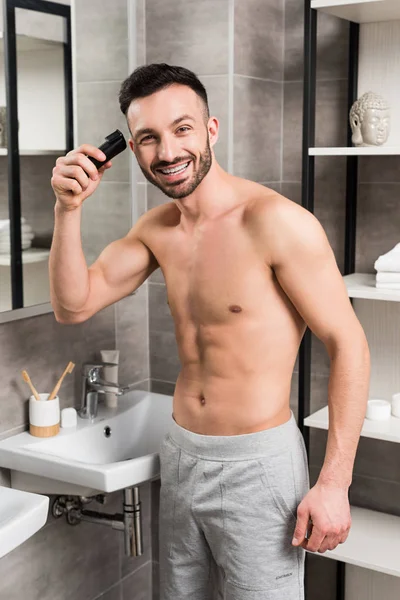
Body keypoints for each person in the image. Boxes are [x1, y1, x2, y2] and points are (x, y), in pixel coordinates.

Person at [50, 63, 370, 599]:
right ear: (132, 146)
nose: (168, 152)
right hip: (179, 453)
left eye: (182, 129)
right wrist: (67, 209)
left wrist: (334, 483)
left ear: (211, 129)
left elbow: (350, 345)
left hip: (257, 465)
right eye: (149, 138)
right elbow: (73, 305)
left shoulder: (275, 221)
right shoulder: (157, 230)